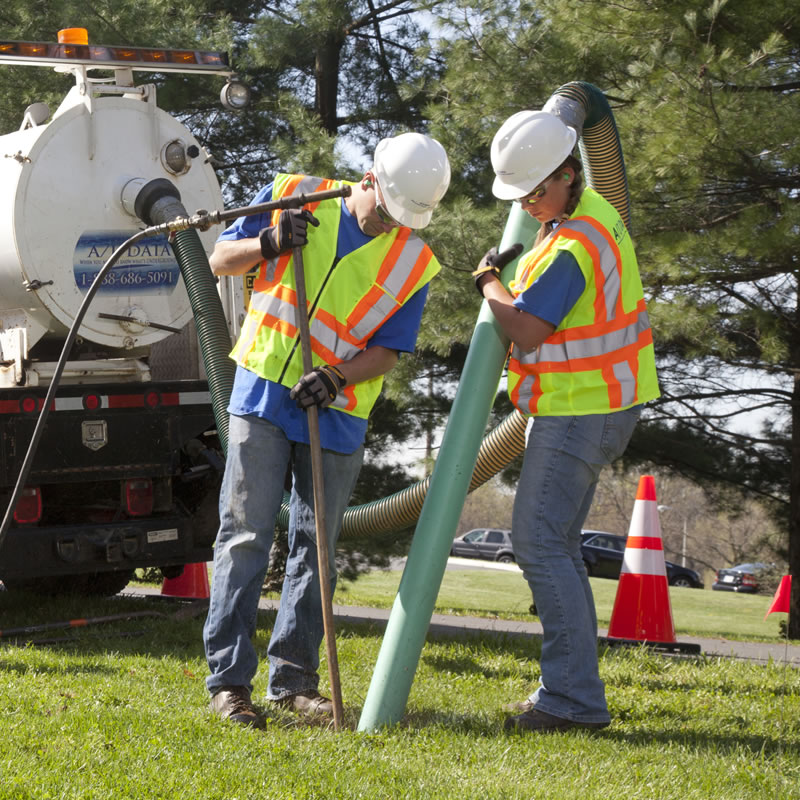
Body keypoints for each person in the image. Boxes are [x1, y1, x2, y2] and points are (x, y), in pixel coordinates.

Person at [203, 133, 451, 727]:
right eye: (388, 212)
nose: (393, 225)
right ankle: (229, 685)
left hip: (336, 414)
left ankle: (293, 683)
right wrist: (267, 242)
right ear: (370, 180)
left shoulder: (413, 259)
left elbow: (389, 351)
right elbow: (217, 260)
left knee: (315, 551)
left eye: (405, 219)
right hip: (262, 392)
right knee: (244, 539)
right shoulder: (294, 195)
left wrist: (338, 376)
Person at [473, 110, 659, 733]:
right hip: (590, 405)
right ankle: (570, 690)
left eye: (534, 190)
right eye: (520, 194)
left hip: (583, 408)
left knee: (538, 543)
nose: (527, 203)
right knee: (557, 547)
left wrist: (490, 285)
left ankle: (573, 700)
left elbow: (526, 331)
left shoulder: (576, 243)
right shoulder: (579, 218)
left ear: (567, 172)